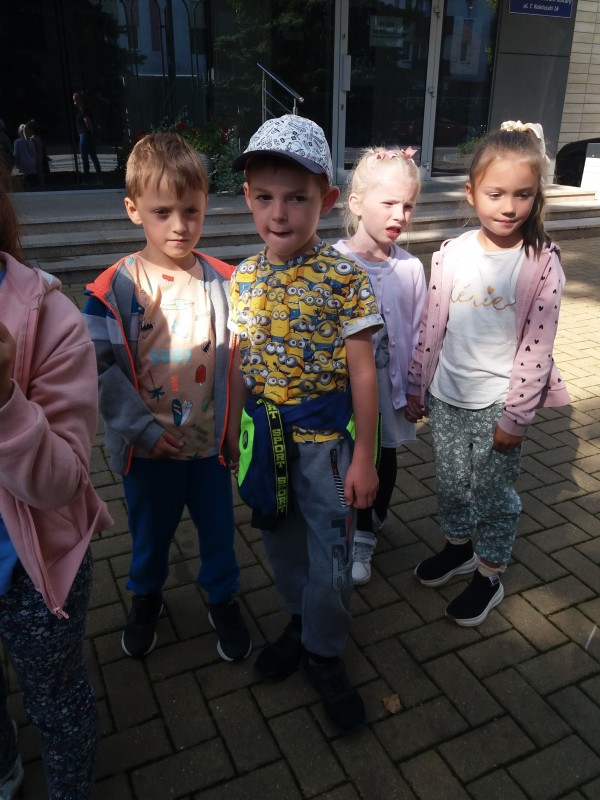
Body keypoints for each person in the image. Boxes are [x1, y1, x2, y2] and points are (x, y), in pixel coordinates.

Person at [228, 114, 383, 734]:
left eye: (296, 198)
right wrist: (233, 434)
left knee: (333, 558)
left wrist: (365, 456)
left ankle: (324, 651)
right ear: (247, 197)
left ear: (329, 198)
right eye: (265, 197)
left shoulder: (346, 278)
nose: (279, 213)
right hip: (266, 445)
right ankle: (298, 622)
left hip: (327, 452)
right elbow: (239, 363)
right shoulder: (243, 278)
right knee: (282, 545)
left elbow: (364, 374)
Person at [83, 132, 252, 663]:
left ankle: (222, 598)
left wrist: (233, 429)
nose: (179, 225)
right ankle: (146, 596)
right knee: (150, 534)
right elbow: (100, 371)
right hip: (147, 450)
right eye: (162, 212)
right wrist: (142, 431)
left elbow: (238, 359)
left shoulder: (225, 282)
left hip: (208, 448)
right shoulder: (112, 291)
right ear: (133, 209)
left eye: (191, 211)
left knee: (219, 533)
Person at [406, 120, 571, 626]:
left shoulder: (540, 262)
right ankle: (458, 549)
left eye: (523, 194)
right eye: (495, 193)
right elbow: (431, 326)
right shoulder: (452, 254)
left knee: (494, 495)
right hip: (446, 395)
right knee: (453, 484)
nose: (509, 206)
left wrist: (516, 418)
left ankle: (489, 574)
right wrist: (417, 386)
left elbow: (537, 348)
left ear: (536, 196)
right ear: (471, 192)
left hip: (499, 403)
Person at [0, 173, 113, 798]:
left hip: (34, 569)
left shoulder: (49, 319)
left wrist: (4, 401)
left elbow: (62, 479)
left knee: (56, 698)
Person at [334, 146, 426, 584]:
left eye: (408, 205)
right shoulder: (332, 263)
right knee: (344, 457)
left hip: (390, 393)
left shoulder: (410, 269)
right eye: (388, 203)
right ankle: (347, 521)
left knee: (384, 457)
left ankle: (368, 530)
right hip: (340, 391)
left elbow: (421, 332)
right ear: (356, 203)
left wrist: (417, 386)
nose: (399, 215)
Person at [72, 91, 102, 184]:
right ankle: (99, 179)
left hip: (84, 135)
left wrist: (91, 134)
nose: (74, 102)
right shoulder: (84, 109)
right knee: (93, 157)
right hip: (86, 135)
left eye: (75, 100)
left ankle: (86, 180)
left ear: (79, 100)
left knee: (85, 158)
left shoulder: (83, 110)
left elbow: (88, 122)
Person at [12, 123, 38, 188]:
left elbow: (16, 154)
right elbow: (34, 153)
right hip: (32, 163)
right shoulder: (31, 141)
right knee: (32, 182)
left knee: (24, 183)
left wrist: (16, 165)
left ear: (19, 132)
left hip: (22, 164)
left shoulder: (17, 142)